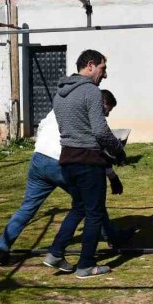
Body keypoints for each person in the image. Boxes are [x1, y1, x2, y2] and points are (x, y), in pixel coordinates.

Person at [0, 90, 129, 265]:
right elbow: (97, 149)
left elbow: (41, 126)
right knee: (91, 202)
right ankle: (109, 239)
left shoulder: (61, 105)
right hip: (61, 162)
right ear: (100, 104)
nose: (106, 116)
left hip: (39, 159)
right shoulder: (88, 113)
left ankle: (1, 248)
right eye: (106, 111)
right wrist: (113, 175)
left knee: (27, 207)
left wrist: (42, 146)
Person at [45, 50, 126, 279]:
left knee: (79, 208)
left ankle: (55, 253)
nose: (105, 74)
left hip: (67, 159)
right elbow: (100, 131)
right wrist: (118, 151)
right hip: (88, 161)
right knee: (95, 213)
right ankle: (86, 265)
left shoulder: (60, 92)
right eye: (103, 68)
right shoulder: (91, 91)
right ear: (90, 66)